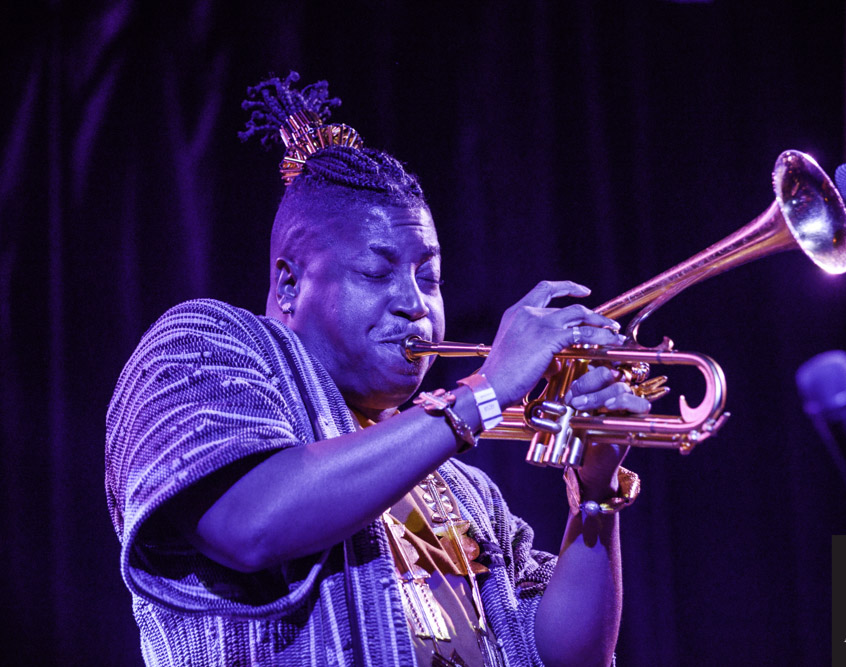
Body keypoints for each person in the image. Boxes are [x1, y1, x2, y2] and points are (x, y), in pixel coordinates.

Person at [106, 72, 649, 667]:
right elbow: (250, 522)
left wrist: (594, 496)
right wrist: (484, 392)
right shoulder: (200, 347)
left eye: (430, 277)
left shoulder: (464, 491)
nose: (415, 303)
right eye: (376, 272)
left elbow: (568, 657)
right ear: (290, 284)